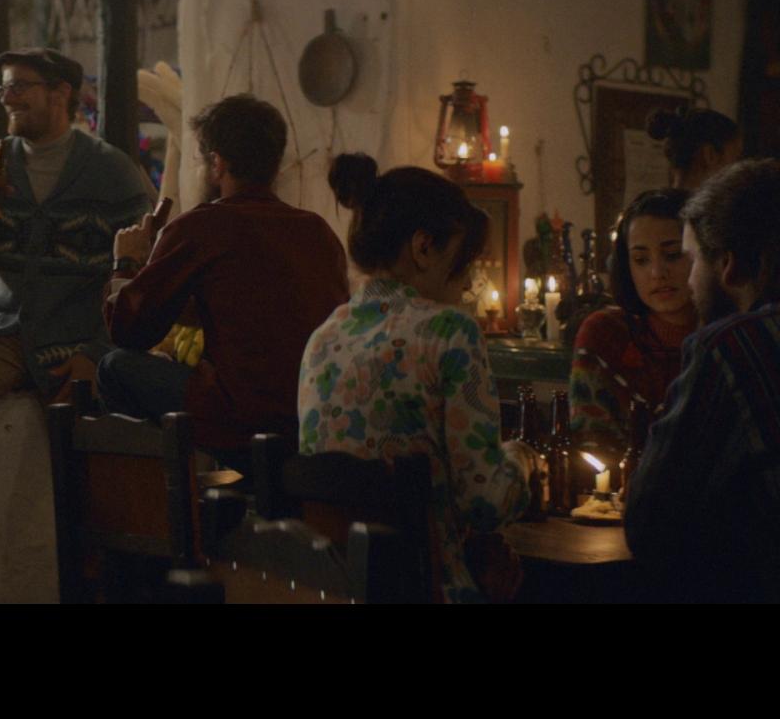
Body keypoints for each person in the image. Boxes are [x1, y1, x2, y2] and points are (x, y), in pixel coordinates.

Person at [0, 47, 153, 603]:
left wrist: (98, 352)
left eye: (20, 87)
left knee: (96, 446)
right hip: (4, 333)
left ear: (61, 94)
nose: (8, 99)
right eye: (4, 89)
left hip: (79, 338)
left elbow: (144, 275)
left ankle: (103, 582)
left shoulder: (111, 171)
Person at [298, 153, 535, 604]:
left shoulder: (322, 339)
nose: (468, 283)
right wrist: (523, 461)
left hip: (337, 591)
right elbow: (483, 503)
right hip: (428, 590)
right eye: (464, 261)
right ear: (424, 247)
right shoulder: (450, 332)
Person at [99, 95, 348, 466]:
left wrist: (127, 262)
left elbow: (128, 329)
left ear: (217, 164)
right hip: (311, 414)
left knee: (115, 367)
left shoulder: (201, 226)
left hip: (240, 419)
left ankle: (166, 488)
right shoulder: (318, 231)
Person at [625, 159, 780, 602]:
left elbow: (651, 523)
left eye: (688, 259)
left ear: (727, 266)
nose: (687, 280)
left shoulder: (733, 345)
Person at [568, 188, 695, 453]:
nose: (657, 272)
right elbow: (591, 447)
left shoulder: (729, 335)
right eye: (641, 259)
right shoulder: (607, 334)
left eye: (673, 254)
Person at [647, 104, 742, 191]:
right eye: (735, 158)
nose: (736, 170)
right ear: (710, 155)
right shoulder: (709, 205)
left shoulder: (652, 202)